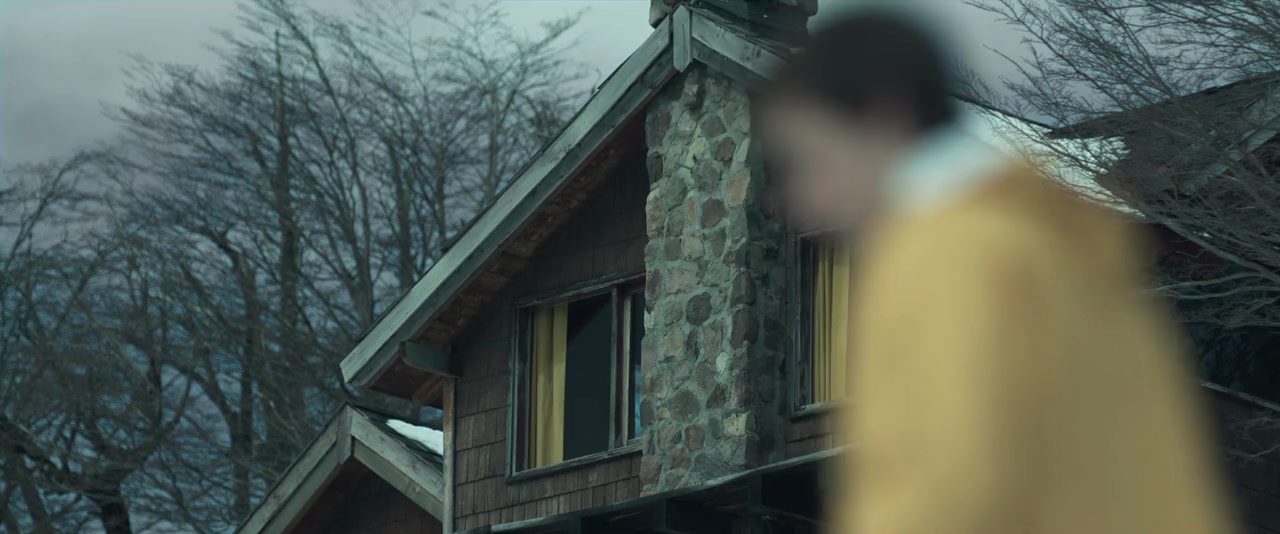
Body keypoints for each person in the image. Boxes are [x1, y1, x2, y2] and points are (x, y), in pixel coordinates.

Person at [760, 10, 1237, 534]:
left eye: (807, 160)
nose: (800, 202)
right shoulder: (1061, 250)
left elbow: (951, 489)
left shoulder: (947, 255)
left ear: (884, 115)